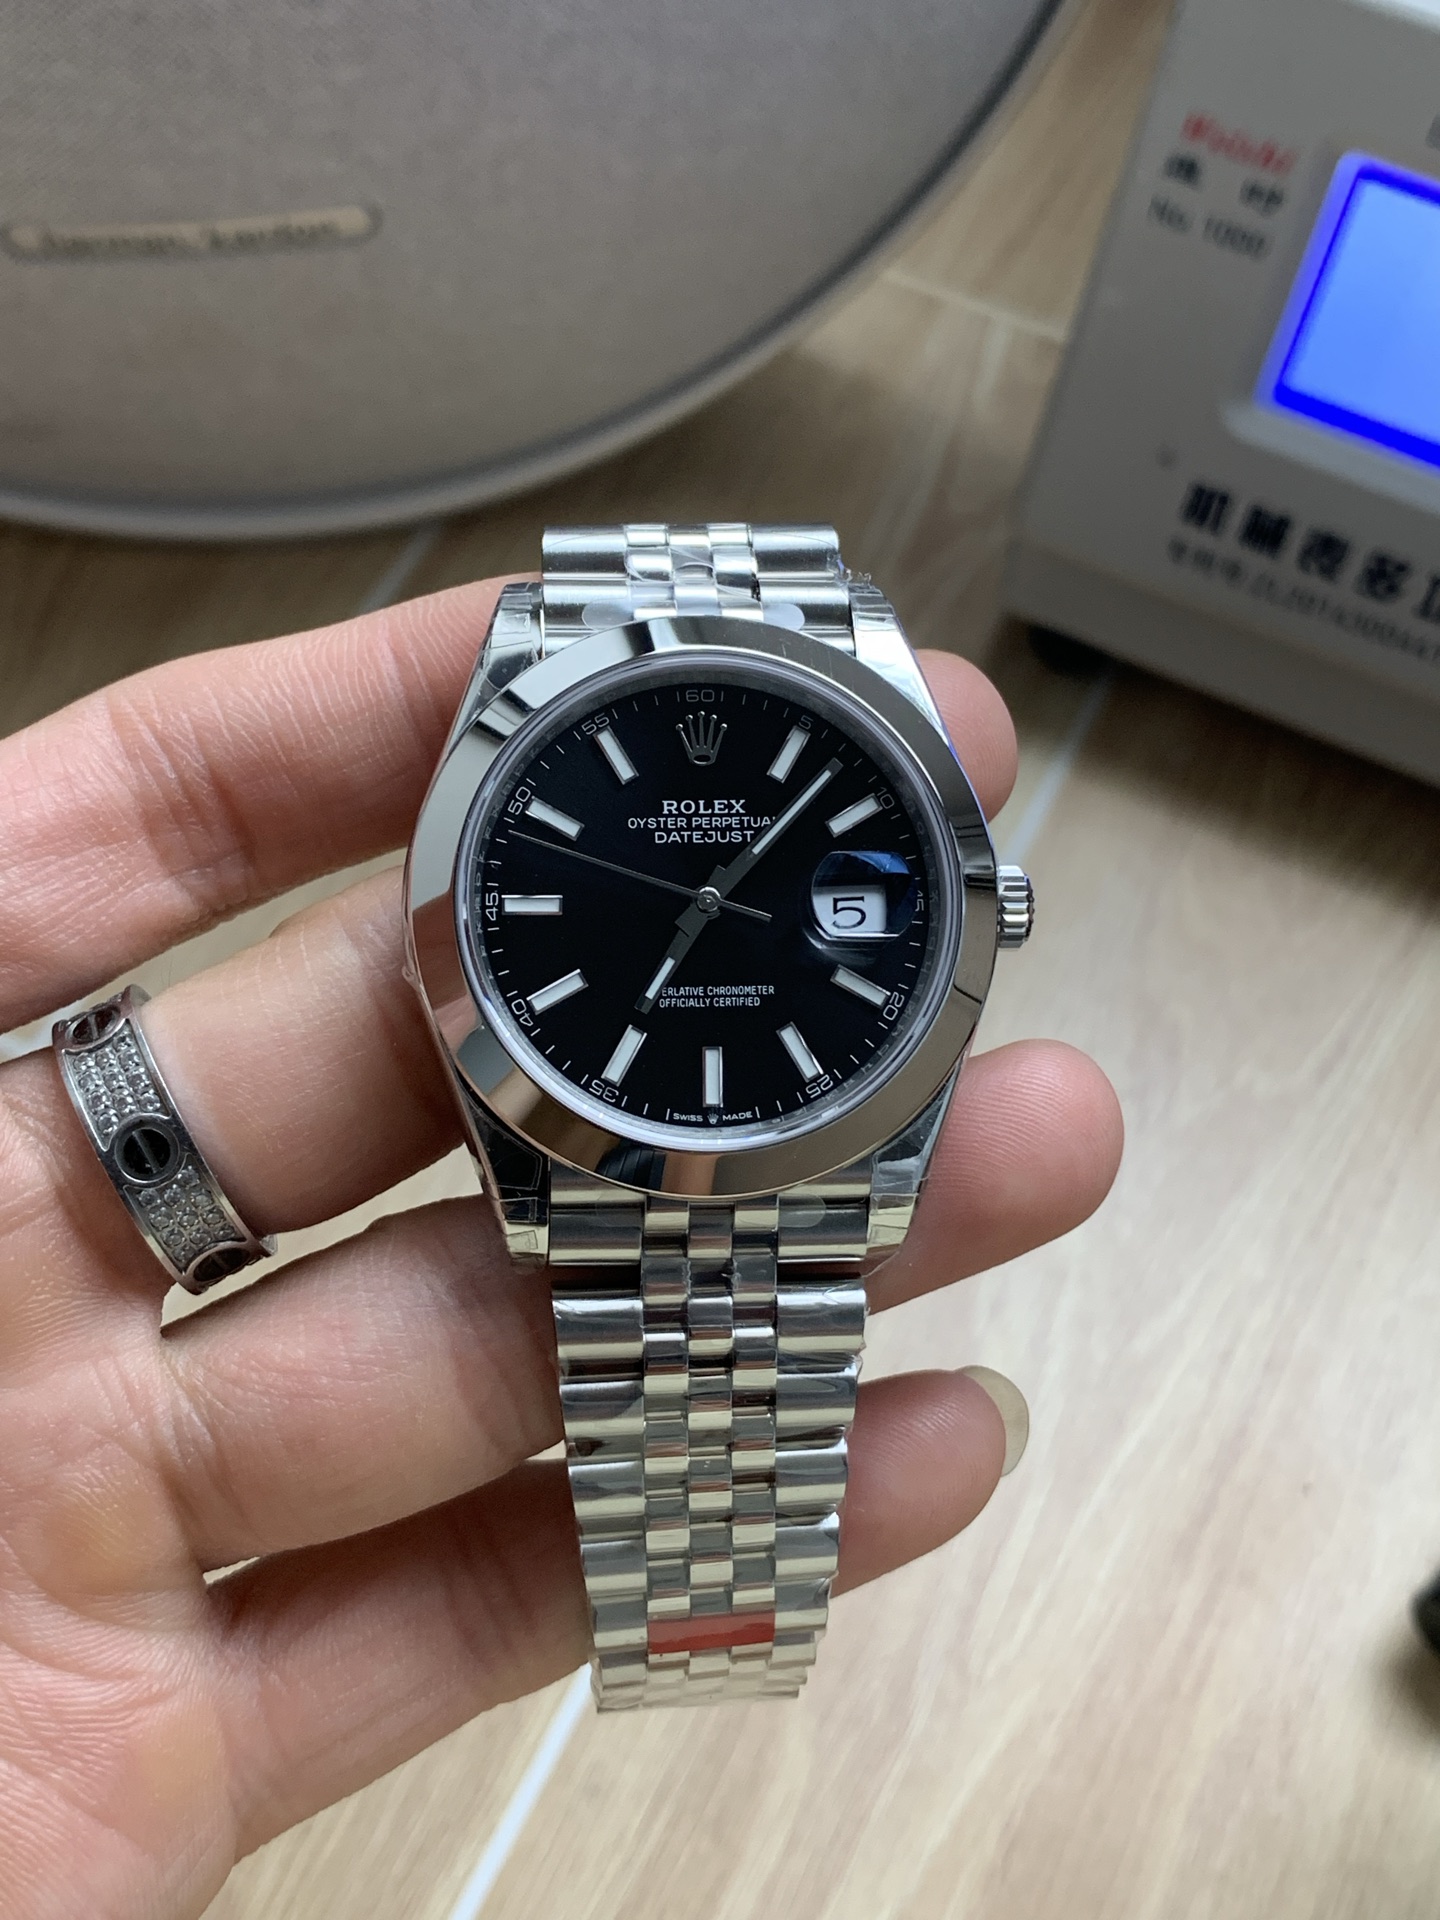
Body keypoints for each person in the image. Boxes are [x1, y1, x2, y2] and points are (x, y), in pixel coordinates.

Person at [0, 578, 1123, 1917]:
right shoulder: (483, 913)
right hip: (624, 1151)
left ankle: (714, 1628)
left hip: (747, 1134)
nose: (704, 905)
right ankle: (709, 1629)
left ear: (985, 908)